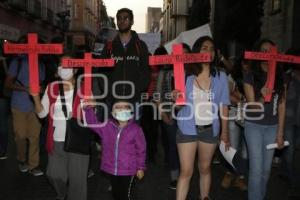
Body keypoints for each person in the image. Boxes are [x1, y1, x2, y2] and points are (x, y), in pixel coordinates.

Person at [175, 36, 230, 200]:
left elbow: (224, 105)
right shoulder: (184, 74)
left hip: (209, 130)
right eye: (204, 48)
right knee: (186, 171)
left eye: (212, 49)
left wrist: (225, 133)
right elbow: (178, 107)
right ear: (196, 51)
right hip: (187, 129)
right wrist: (176, 98)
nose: (209, 51)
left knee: (205, 168)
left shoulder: (221, 76)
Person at [30, 56, 90, 200]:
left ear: (75, 69)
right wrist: (36, 98)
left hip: (77, 141)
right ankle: (62, 193)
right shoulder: (52, 87)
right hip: (56, 139)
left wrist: (90, 108)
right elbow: (42, 113)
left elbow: (91, 119)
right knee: (54, 174)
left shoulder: (84, 88)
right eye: (61, 65)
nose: (64, 68)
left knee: (78, 182)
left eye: (68, 65)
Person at [243, 39, 286, 200]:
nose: (268, 54)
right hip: (253, 125)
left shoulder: (281, 77)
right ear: (258, 53)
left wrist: (280, 132)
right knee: (256, 169)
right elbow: (253, 107)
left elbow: (282, 105)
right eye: (264, 50)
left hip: (272, 126)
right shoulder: (250, 76)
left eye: (271, 51)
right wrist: (262, 95)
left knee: (266, 170)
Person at [84, 99, 146, 200]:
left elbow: (141, 150)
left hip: (128, 170)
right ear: (112, 112)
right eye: (118, 107)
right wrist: (89, 109)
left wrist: (140, 167)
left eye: (125, 107)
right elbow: (92, 124)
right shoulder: (107, 126)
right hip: (112, 169)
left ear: (131, 111)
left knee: (125, 195)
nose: (121, 109)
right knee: (115, 193)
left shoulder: (136, 129)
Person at [95, 8, 151, 114]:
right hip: (113, 101)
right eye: (119, 18)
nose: (122, 21)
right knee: (112, 130)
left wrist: (137, 91)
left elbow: (146, 71)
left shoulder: (140, 46)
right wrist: (108, 92)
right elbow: (101, 72)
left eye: (126, 18)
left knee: (133, 130)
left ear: (132, 21)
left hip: (134, 101)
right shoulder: (109, 47)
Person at [4, 35, 45, 175]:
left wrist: (42, 89)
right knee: (20, 135)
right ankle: (21, 160)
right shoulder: (18, 62)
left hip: (35, 105)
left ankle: (33, 165)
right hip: (19, 105)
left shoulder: (41, 64)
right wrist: (25, 89)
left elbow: (42, 83)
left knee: (35, 136)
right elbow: (8, 83)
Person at [221, 54, 249, 191]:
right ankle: (230, 173)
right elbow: (227, 95)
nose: (247, 65)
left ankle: (240, 177)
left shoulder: (258, 76)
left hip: (251, 117)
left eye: (250, 63)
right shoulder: (232, 76)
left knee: (245, 151)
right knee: (232, 147)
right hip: (233, 115)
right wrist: (243, 99)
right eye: (245, 62)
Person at [279, 48, 300, 197]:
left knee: (293, 151)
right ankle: (294, 184)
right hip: (288, 120)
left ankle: (283, 171)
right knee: (291, 151)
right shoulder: (286, 78)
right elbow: (283, 100)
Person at [0, 55, 9, 160]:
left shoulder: (3, 61)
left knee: (2, 125)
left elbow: (9, 77)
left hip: (1, 96)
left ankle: (2, 150)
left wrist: (3, 63)